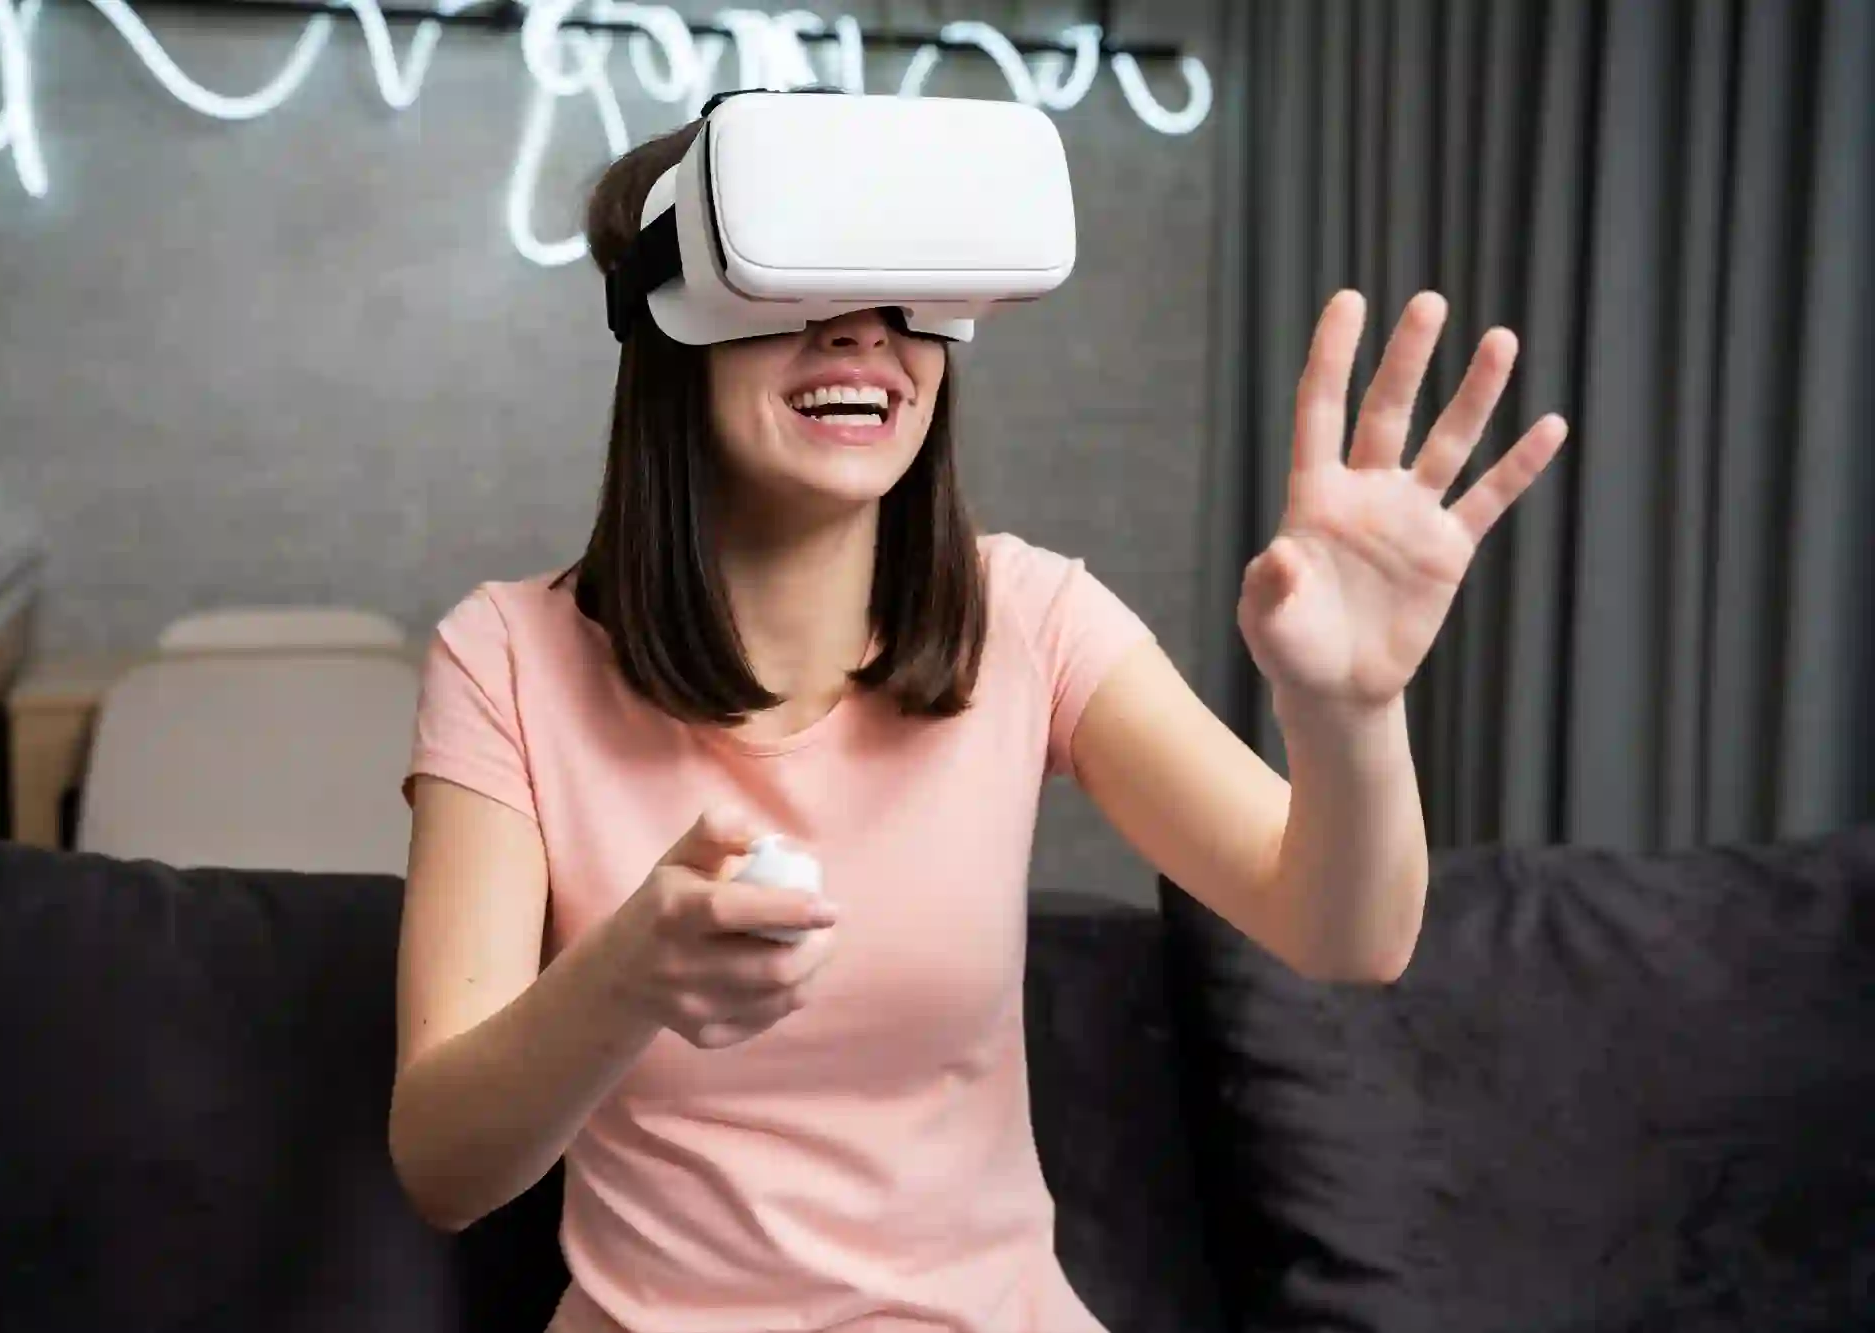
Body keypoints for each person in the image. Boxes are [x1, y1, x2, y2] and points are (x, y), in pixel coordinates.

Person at [386, 116, 1568, 1333]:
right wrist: (623, 976)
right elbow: (443, 1166)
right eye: (796, 287)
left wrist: (1349, 715)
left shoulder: (1034, 618)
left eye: (904, 299)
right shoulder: (506, 657)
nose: (862, 333)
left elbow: (1346, 935)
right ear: (666, 321)